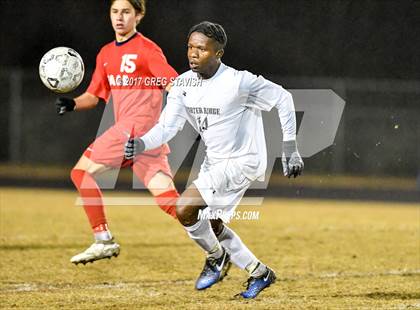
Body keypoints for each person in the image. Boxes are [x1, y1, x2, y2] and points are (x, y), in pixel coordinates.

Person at [124, 21, 304, 299]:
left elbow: (283, 98)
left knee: (185, 208)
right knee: (212, 224)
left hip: (243, 160)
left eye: (201, 49)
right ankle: (260, 273)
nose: (193, 54)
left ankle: (215, 257)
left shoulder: (239, 82)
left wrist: (290, 146)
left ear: (218, 53)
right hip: (216, 162)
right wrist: (142, 143)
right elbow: (168, 127)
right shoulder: (183, 84)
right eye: (190, 47)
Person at [55, 0, 181, 265]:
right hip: (145, 139)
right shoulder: (105, 54)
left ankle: (103, 240)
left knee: (80, 172)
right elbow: (94, 95)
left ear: (139, 15)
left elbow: (174, 85)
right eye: (115, 12)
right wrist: (73, 103)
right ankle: (220, 240)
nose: (119, 17)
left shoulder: (147, 50)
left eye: (126, 12)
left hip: (136, 128)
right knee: (170, 202)